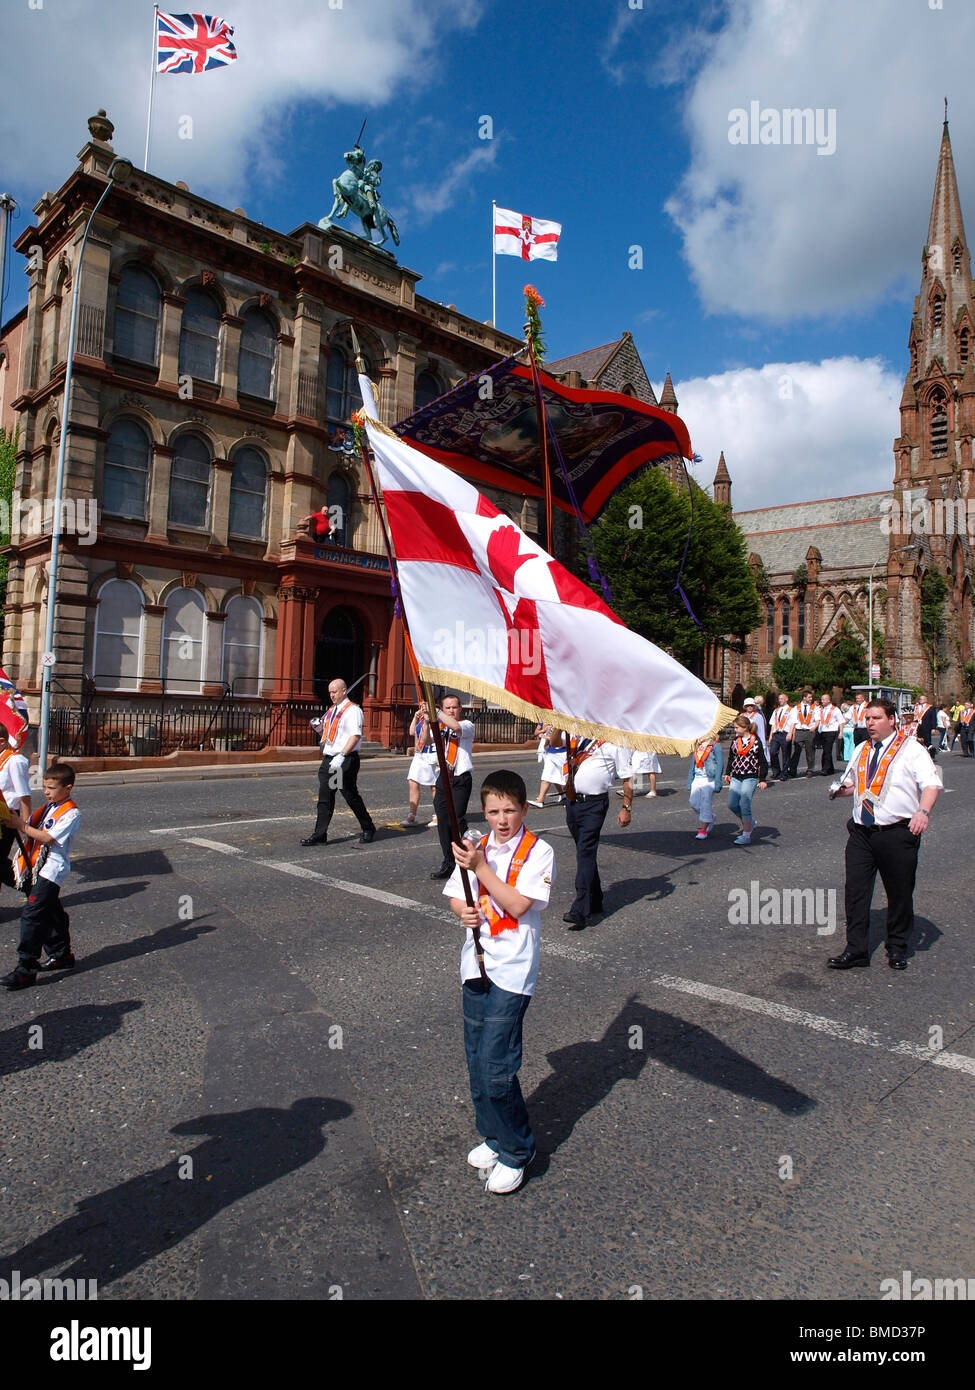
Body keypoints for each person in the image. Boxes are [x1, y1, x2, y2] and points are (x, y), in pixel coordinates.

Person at [445, 768, 555, 1195]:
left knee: (496, 1064)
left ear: (524, 809)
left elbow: (519, 902)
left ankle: (516, 1150)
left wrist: (482, 867)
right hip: (476, 964)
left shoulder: (539, 851)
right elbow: (458, 892)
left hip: (512, 970)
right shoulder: (478, 846)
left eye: (510, 810)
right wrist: (461, 911)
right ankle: (492, 1135)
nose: (502, 819)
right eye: (494, 811)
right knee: (475, 1058)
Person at [827, 697, 942, 971]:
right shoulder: (862, 748)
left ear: (892, 720)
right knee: (855, 892)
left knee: (899, 893)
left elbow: (931, 784)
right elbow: (855, 783)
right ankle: (856, 949)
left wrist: (922, 812)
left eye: (876, 718)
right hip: (862, 833)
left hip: (897, 833)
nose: (870, 723)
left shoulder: (912, 749)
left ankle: (898, 947)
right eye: (867, 718)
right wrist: (841, 791)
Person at [1, 763, 81, 989]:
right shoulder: (48, 807)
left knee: (32, 915)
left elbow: (46, 838)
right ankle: (62, 954)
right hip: (34, 865)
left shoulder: (72, 813)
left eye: (52, 788)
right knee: (51, 911)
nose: (46, 791)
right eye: (45, 787)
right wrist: (12, 818)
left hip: (51, 870)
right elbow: (29, 827)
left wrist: (19, 825)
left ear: (67, 788)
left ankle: (26, 968)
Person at [560, 734, 633, 930]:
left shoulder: (616, 742)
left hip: (594, 805)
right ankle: (596, 898)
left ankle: (580, 909)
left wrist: (626, 807)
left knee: (585, 851)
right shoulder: (579, 737)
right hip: (573, 801)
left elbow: (627, 778)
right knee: (585, 852)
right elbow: (555, 743)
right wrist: (558, 725)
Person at [300, 678, 376, 846]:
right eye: (330, 692)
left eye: (334, 692)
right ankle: (320, 834)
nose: (332, 695)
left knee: (349, 795)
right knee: (325, 796)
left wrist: (341, 755)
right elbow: (328, 735)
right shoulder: (332, 710)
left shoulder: (353, 711)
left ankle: (368, 828)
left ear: (344, 691)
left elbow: (355, 735)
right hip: (329, 759)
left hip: (344, 759)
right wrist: (319, 728)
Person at [429, 695, 476, 880]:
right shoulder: (440, 726)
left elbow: (455, 727)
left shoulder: (467, 725)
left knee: (455, 820)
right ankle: (448, 861)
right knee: (443, 822)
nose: (450, 711)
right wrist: (426, 720)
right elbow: (425, 740)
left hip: (460, 778)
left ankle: (466, 851)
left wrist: (436, 711)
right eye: (446, 708)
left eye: (453, 707)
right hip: (443, 776)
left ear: (460, 709)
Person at [724, 716, 768, 845]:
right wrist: (727, 772)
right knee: (732, 804)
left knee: (744, 803)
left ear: (745, 727)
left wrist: (763, 779)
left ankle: (746, 835)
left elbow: (762, 761)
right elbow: (731, 758)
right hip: (736, 776)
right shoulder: (735, 740)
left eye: (737, 727)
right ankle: (750, 822)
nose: (735, 730)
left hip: (750, 776)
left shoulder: (755, 741)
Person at [0, 733, 32, 894]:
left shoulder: (15, 761)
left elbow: (24, 795)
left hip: (7, 817)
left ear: (2, 741)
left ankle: (30, 887)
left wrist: (25, 826)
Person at [401, 707, 439, 826]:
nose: (422, 709)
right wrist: (415, 718)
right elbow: (412, 732)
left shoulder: (438, 721)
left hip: (432, 755)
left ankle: (439, 814)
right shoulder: (422, 721)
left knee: (434, 786)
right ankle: (412, 815)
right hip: (420, 755)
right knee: (413, 782)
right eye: (421, 707)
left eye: (425, 707)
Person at [687, 735, 724, 839]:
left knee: (705, 803)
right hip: (697, 778)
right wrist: (690, 779)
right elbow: (692, 764)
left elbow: (720, 764)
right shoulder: (697, 744)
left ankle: (703, 830)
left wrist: (718, 781)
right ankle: (709, 817)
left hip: (709, 778)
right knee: (693, 802)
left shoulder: (715, 746)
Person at [528, 723, 566, 808]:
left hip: (564, 754)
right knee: (547, 775)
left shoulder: (567, 725)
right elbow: (548, 740)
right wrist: (546, 737)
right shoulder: (552, 726)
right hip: (551, 753)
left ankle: (567, 797)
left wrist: (549, 737)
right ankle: (540, 800)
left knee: (564, 777)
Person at [787, 689, 817, 778]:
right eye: (809, 697)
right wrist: (791, 733)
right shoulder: (796, 708)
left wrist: (814, 727)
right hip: (799, 731)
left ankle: (810, 770)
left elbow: (817, 720)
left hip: (809, 731)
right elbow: (793, 721)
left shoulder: (814, 708)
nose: (811, 699)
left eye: (811, 697)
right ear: (804, 697)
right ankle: (792, 770)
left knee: (810, 752)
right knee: (797, 751)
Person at [814, 692, 842, 775]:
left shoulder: (835, 709)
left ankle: (825, 769)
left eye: (824, 699)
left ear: (829, 700)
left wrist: (841, 732)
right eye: (821, 699)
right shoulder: (821, 709)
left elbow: (841, 721)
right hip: (822, 731)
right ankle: (830, 768)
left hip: (831, 731)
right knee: (826, 750)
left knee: (827, 750)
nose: (822, 701)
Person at [768, 693, 792, 780]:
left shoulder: (791, 710)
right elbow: (773, 724)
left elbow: (793, 723)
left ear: (786, 699)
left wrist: (790, 733)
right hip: (776, 733)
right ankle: (776, 771)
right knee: (773, 752)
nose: (780, 700)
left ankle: (784, 773)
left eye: (782, 698)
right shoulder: (776, 710)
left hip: (785, 733)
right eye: (779, 699)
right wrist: (771, 735)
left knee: (786, 754)